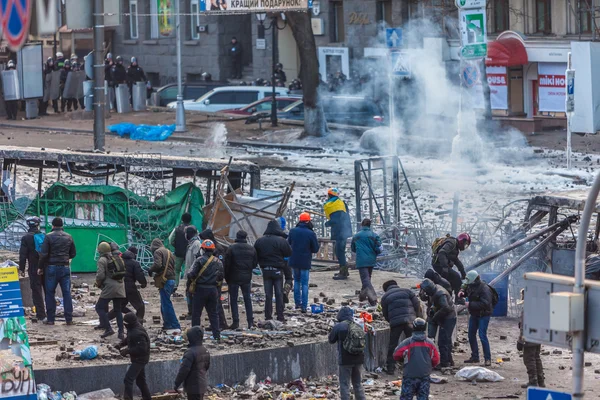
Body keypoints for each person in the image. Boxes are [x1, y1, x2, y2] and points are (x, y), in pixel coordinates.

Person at [38, 217, 76, 325]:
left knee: (50, 293)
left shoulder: (48, 237)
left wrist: (40, 267)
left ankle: (51, 319)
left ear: (53, 225)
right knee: (67, 293)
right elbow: (73, 253)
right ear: (62, 225)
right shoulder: (69, 237)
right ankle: (69, 318)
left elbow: (44, 254)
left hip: (51, 268)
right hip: (65, 267)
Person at [254, 220, 292, 322]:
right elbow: (288, 253)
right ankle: (280, 316)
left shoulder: (259, 241)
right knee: (279, 294)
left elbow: (255, 255)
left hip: (265, 270)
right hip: (278, 270)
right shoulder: (281, 241)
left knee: (268, 295)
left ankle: (268, 316)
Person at [381, 280, 422, 375]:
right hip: (410, 321)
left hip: (396, 323)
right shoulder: (407, 291)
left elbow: (385, 313)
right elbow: (417, 305)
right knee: (413, 343)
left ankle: (390, 367)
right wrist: (417, 318)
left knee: (393, 345)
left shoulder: (385, 297)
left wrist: (391, 321)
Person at [393, 318, 440, 400]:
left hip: (409, 376)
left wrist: (403, 360)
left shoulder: (407, 342)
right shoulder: (430, 344)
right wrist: (428, 366)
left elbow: (396, 355)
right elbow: (436, 359)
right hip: (424, 376)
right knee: (423, 397)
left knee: (406, 397)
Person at [328, 306, 366, 400]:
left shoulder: (339, 326)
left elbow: (331, 340)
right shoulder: (357, 325)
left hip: (345, 360)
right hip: (359, 359)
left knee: (345, 385)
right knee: (357, 384)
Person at [188, 240, 223, 340]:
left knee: (196, 314)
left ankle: (196, 337)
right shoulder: (218, 262)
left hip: (200, 290)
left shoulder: (199, 260)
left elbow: (191, 274)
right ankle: (217, 336)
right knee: (213, 313)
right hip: (213, 290)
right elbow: (221, 277)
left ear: (203, 249)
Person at [419, 278, 456, 368]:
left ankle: (444, 363)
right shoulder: (433, 291)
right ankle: (449, 360)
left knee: (443, 341)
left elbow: (446, 308)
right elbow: (427, 299)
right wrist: (421, 294)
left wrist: (435, 316)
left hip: (448, 318)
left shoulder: (440, 293)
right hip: (441, 317)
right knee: (444, 340)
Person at [224, 230, 257, 329]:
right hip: (246, 277)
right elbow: (255, 264)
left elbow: (227, 264)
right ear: (245, 237)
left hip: (233, 277)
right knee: (247, 299)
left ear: (237, 237)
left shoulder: (231, 248)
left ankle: (236, 322)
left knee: (234, 299)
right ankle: (250, 322)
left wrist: (227, 277)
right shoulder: (252, 249)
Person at [287, 212, 320, 313]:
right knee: (304, 284)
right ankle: (304, 306)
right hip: (305, 261)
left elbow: (288, 244)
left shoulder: (292, 231)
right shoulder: (311, 233)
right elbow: (315, 249)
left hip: (294, 260)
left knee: (296, 281)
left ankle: (297, 304)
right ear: (308, 220)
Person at [116, 313, 151, 400]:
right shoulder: (133, 327)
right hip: (138, 358)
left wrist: (127, 351)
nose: (125, 326)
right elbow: (130, 338)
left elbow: (142, 349)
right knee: (140, 381)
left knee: (128, 379)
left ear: (129, 323)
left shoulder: (137, 332)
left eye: (126, 324)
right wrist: (121, 344)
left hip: (140, 359)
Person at [462, 270, 494, 367]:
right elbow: (465, 288)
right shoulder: (472, 285)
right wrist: (462, 292)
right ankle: (475, 357)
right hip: (474, 314)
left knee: (482, 336)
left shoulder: (484, 289)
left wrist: (470, 304)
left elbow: (485, 304)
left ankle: (487, 359)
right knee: (471, 335)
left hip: (483, 315)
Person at [148, 238, 181, 331]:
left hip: (165, 280)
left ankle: (174, 325)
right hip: (172, 279)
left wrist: (150, 270)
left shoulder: (158, 252)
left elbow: (158, 265)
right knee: (164, 303)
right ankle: (167, 324)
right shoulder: (169, 251)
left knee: (166, 304)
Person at [95, 242, 126, 339]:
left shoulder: (102, 260)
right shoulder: (116, 258)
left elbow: (100, 275)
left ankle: (108, 328)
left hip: (109, 287)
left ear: (100, 250)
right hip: (120, 286)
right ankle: (121, 332)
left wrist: (98, 283)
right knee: (118, 310)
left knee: (99, 308)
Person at [199, 228, 228, 330]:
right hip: (211, 279)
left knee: (216, 302)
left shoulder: (217, 249)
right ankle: (216, 323)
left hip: (215, 280)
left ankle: (221, 324)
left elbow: (221, 265)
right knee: (212, 303)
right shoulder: (214, 247)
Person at [18, 216, 46, 321]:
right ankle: (51, 313)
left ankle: (41, 314)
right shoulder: (44, 236)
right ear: (38, 225)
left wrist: (21, 269)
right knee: (48, 290)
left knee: (36, 291)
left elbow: (23, 255)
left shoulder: (26, 238)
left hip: (34, 268)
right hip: (45, 267)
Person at [174, 326, 211, 400]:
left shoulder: (190, 352)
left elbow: (183, 370)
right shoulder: (205, 350)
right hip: (202, 384)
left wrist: (176, 384)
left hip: (193, 387)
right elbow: (207, 366)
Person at [518, 289, 545, 388]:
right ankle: (540, 381)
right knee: (536, 358)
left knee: (529, 359)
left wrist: (520, 341)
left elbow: (524, 326)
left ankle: (533, 381)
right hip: (538, 336)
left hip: (529, 337)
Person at [351, 219, 382, 305]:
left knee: (365, 280)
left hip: (361, 260)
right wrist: (374, 253)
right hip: (371, 260)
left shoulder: (356, 236)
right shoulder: (374, 235)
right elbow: (379, 248)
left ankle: (373, 298)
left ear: (362, 225)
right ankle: (362, 296)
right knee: (367, 278)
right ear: (370, 225)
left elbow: (353, 248)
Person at [323, 188, 352, 280]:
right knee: (340, 251)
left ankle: (343, 273)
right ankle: (343, 271)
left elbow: (336, 220)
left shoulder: (333, 205)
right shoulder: (341, 203)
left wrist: (328, 223)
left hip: (340, 232)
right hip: (344, 230)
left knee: (339, 252)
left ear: (329, 195)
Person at [431, 233, 471, 300]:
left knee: (451, 282)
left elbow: (456, 260)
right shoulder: (452, 243)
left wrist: (462, 272)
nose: (464, 246)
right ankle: (458, 300)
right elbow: (442, 252)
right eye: (465, 244)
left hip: (441, 265)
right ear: (462, 241)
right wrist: (445, 267)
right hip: (438, 265)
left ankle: (447, 298)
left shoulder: (455, 247)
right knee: (457, 277)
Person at [121, 247, 147, 322]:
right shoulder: (134, 263)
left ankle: (105, 320)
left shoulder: (120, 261)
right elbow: (139, 275)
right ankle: (138, 321)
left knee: (120, 307)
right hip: (130, 287)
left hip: (120, 286)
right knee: (140, 306)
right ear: (134, 254)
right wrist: (143, 283)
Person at [169, 213, 193, 289]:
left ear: (182, 219)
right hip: (189, 253)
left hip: (178, 252)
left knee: (176, 270)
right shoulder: (193, 229)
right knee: (190, 269)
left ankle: (175, 285)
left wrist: (176, 246)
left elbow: (170, 240)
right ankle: (189, 286)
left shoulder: (177, 229)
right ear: (190, 220)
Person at [185, 226, 202, 319]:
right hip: (190, 273)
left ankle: (193, 313)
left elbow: (197, 260)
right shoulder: (191, 243)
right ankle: (191, 312)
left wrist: (192, 273)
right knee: (189, 293)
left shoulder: (196, 244)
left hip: (193, 274)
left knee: (191, 293)